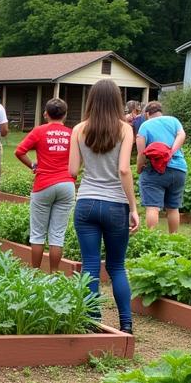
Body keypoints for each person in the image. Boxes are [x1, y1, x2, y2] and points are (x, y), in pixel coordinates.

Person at [69, 80, 139, 333]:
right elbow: (123, 170)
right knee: (117, 266)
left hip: (86, 202)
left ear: (91, 100)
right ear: (117, 101)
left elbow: (72, 170)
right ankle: (126, 324)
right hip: (115, 205)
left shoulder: (79, 129)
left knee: (89, 265)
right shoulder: (125, 129)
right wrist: (133, 207)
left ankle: (91, 320)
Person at [14, 98, 75, 272]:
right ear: (65, 115)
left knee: (38, 233)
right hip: (66, 184)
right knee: (57, 234)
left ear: (45, 114)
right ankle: (54, 273)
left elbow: (19, 151)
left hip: (43, 184)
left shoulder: (39, 131)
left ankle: (35, 271)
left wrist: (33, 165)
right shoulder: (72, 133)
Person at [135, 100, 187, 232]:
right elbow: (182, 135)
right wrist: (171, 152)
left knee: (153, 207)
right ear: (160, 112)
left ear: (147, 114)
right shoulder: (174, 121)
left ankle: (152, 240)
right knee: (173, 208)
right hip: (179, 169)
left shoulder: (145, 126)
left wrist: (139, 168)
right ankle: (174, 240)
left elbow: (141, 153)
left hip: (156, 170)